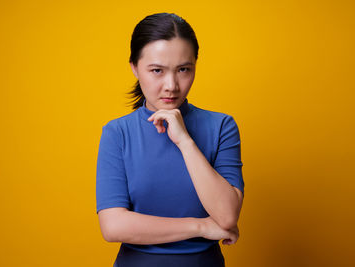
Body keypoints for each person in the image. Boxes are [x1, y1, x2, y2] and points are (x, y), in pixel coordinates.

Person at [96, 12, 245, 267]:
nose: (171, 85)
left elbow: (227, 215)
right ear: (134, 67)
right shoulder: (117, 133)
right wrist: (201, 226)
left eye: (183, 70)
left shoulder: (221, 126)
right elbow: (113, 225)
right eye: (157, 70)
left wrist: (185, 141)